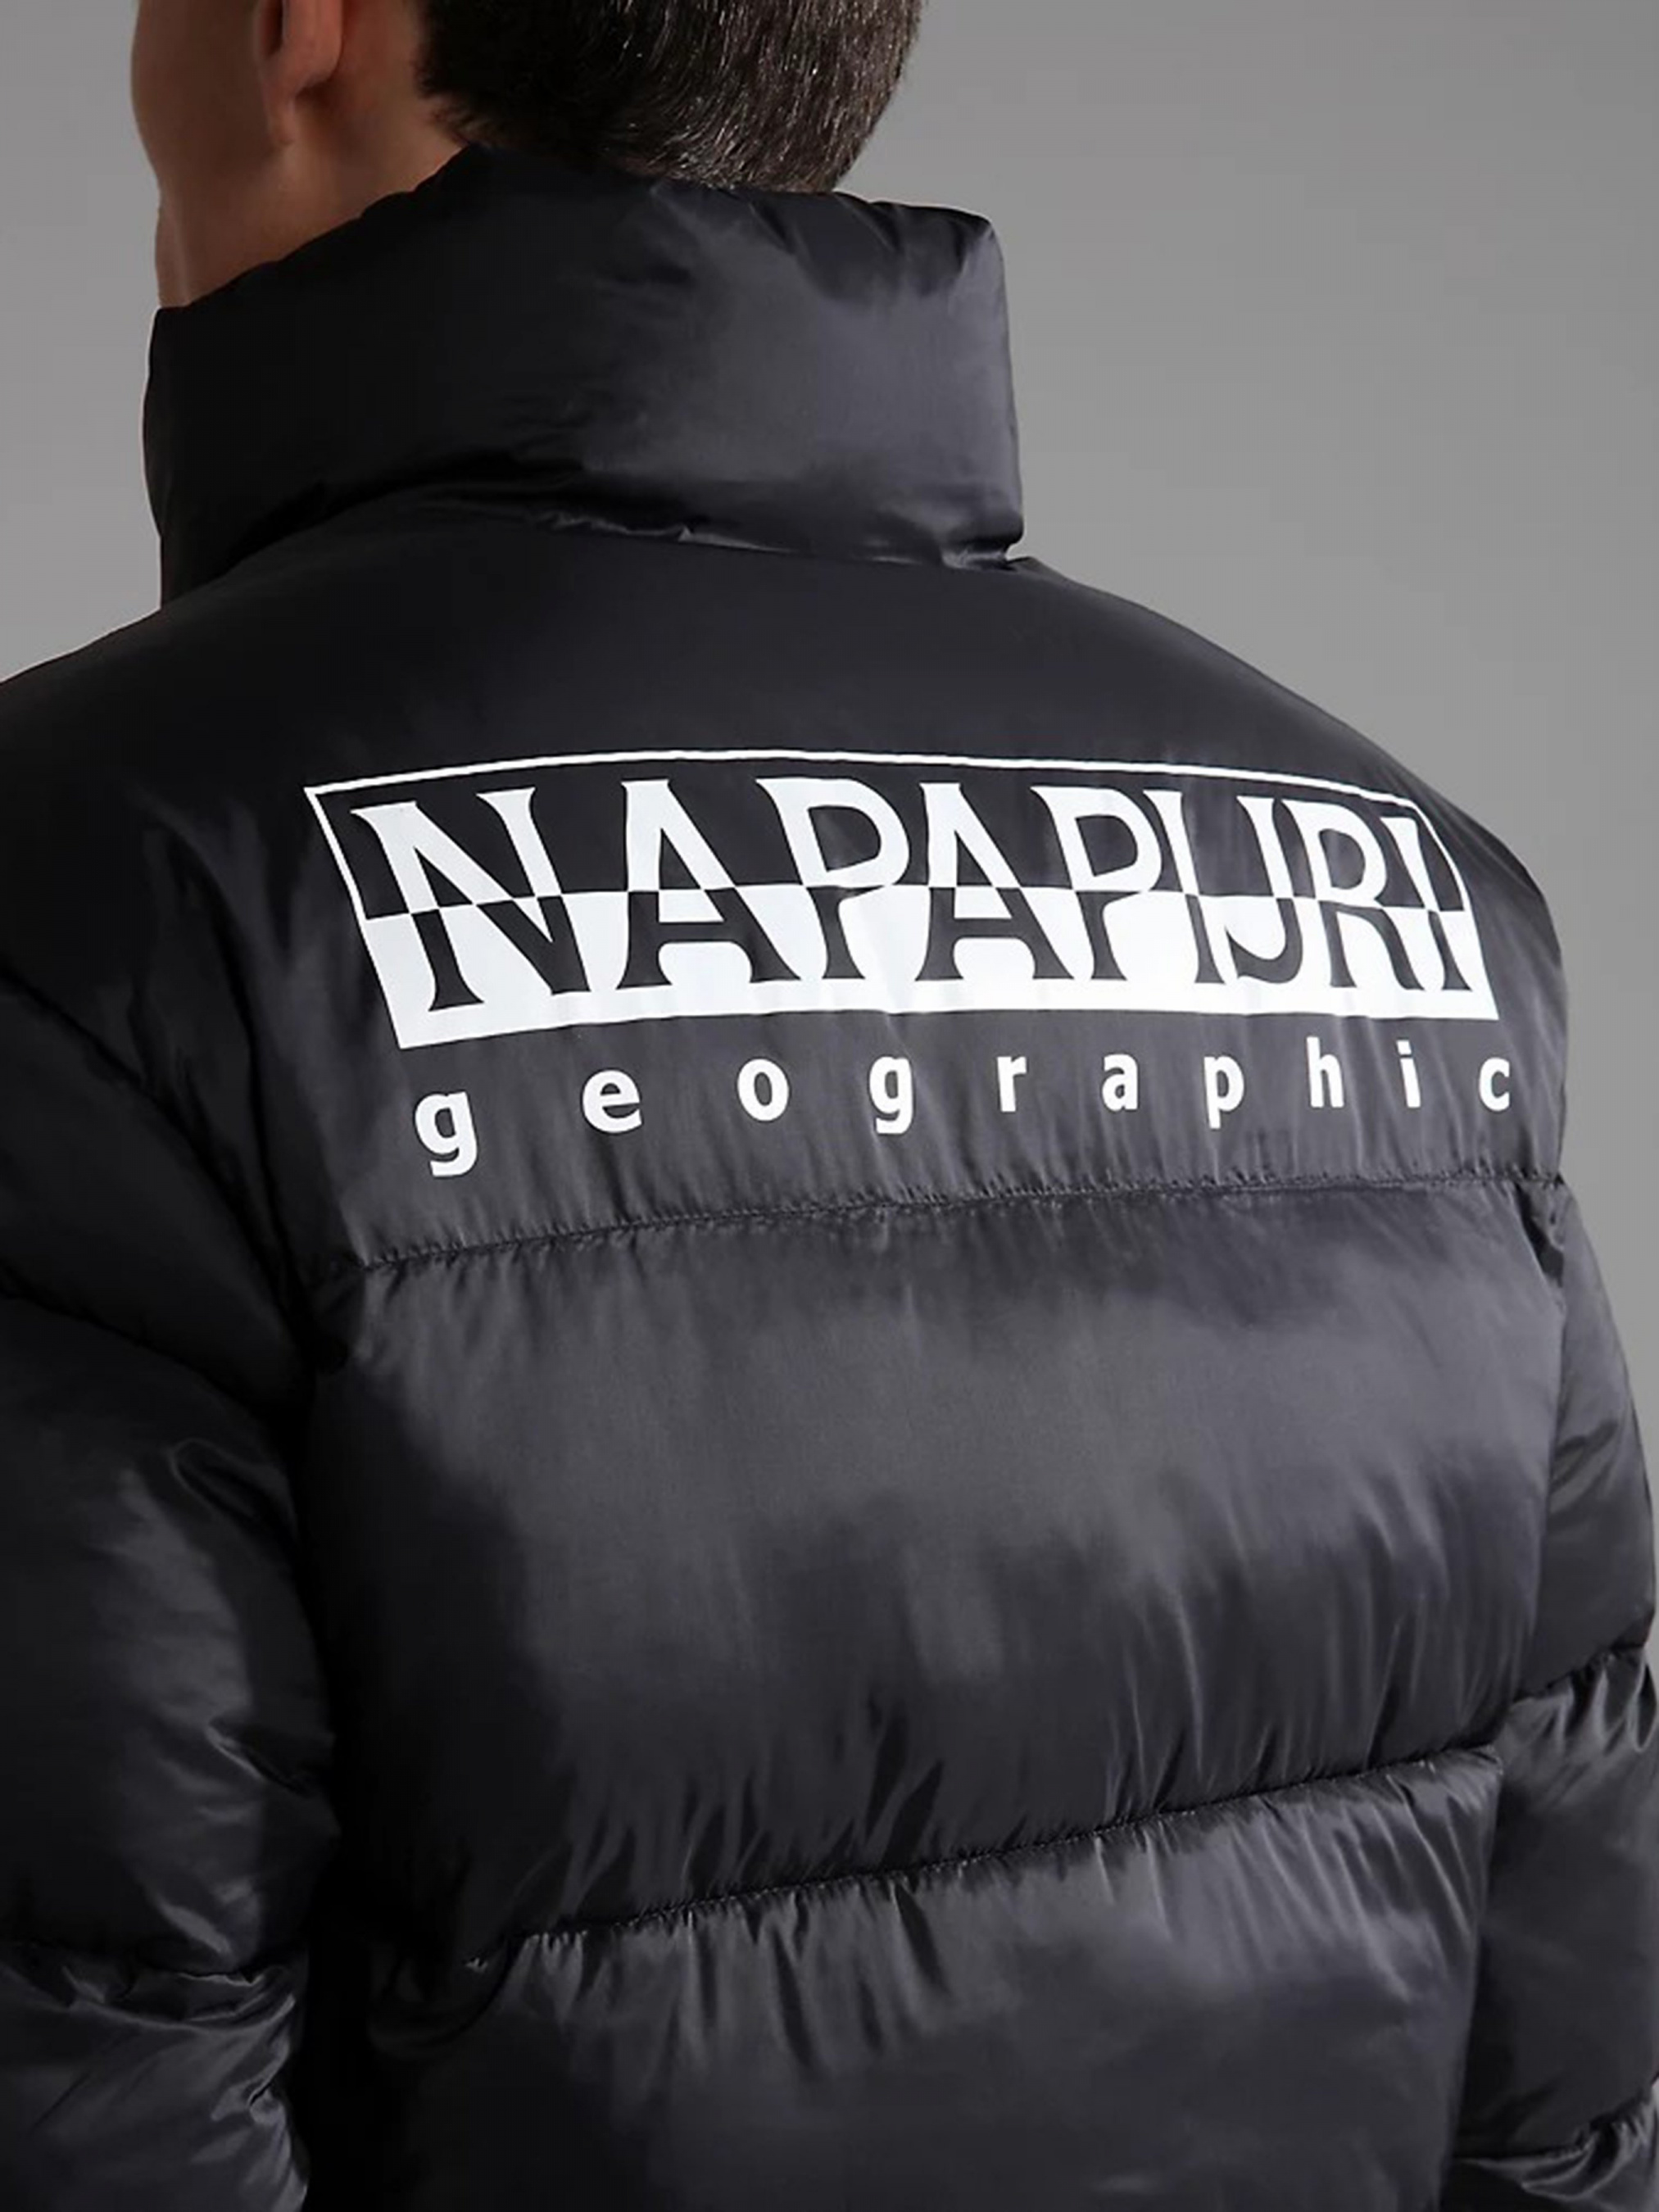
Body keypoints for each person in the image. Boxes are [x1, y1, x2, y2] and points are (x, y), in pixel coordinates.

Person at [0, 2, 1652, 2205]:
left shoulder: (88, 900)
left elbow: (89, 2076)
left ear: (314, 24)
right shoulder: (1416, 886)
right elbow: (1564, 2092)